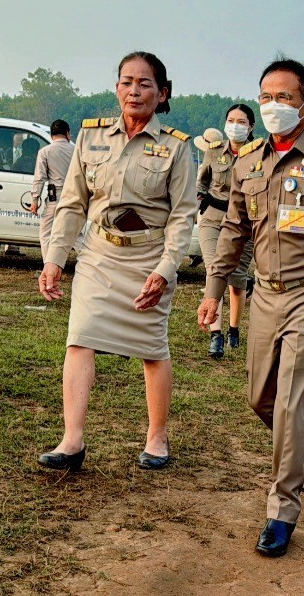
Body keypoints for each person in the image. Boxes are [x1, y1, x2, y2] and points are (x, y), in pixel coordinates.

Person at [195, 57, 304, 558]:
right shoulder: (247, 161)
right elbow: (233, 229)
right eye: (265, 96)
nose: (272, 106)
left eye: (284, 97)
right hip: (264, 294)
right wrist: (212, 287)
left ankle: (281, 509)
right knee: (261, 400)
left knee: (289, 401)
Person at [36, 50, 196, 474]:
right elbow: (72, 204)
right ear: (116, 88)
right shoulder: (91, 136)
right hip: (98, 255)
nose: (134, 90)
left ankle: (157, 436)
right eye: (126, 82)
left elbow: (183, 216)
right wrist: (55, 258)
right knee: (80, 337)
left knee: (152, 348)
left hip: (149, 258)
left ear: (162, 94)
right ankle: (72, 440)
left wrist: (165, 270)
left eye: (145, 84)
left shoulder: (177, 148)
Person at [196, 104, 258, 358]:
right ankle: (216, 335)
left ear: (251, 126)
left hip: (244, 223)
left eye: (241, 121)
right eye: (231, 120)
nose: (235, 125)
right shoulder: (213, 152)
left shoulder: (260, 154)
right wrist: (200, 196)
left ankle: (234, 329)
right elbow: (204, 179)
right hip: (212, 219)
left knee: (236, 279)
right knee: (214, 271)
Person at [30, 119, 77, 260]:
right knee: (77, 234)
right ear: (68, 134)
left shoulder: (45, 152)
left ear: (51, 135)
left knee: (46, 234)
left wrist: (35, 199)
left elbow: (40, 178)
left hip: (54, 197)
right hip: (73, 196)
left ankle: (49, 264)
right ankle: (88, 264)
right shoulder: (76, 151)